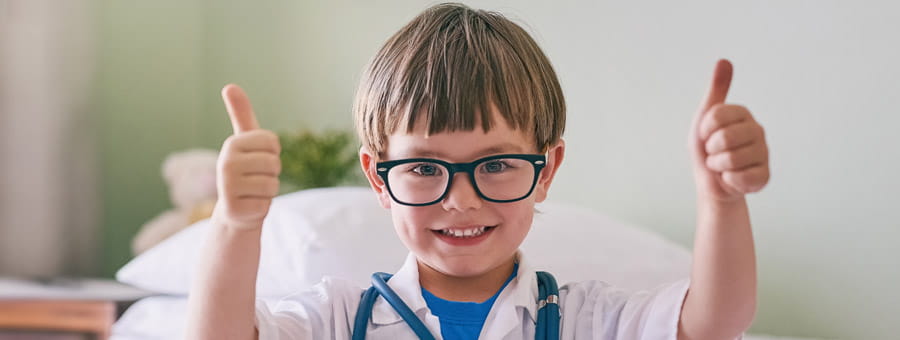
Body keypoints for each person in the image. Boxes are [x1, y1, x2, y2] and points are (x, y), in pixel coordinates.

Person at [185, 3, 769, 340]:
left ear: (547, 169)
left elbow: (715, 323)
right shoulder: (339, 318)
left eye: (495, 165)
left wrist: (721, 203)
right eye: (423, 167)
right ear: (378, 177)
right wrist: (236, 225)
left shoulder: (587, 320)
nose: (460, 201)